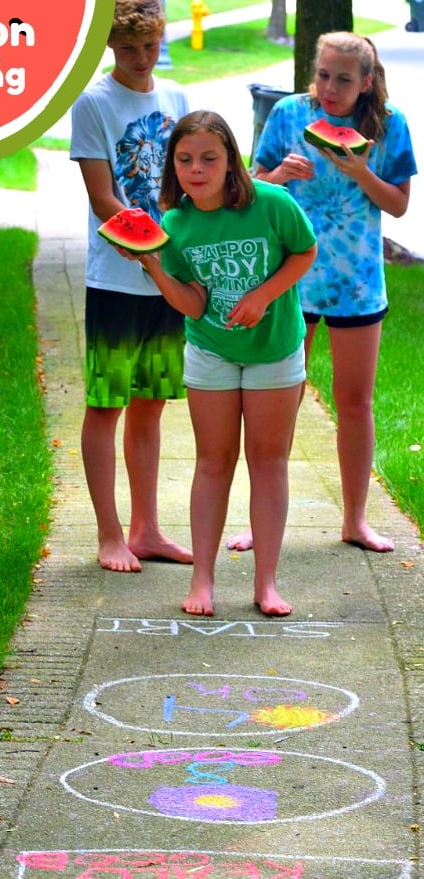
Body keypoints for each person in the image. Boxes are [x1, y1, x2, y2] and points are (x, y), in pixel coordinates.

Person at [119, 111, 316, 616]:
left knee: (268, 462)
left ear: (231, 160)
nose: (197, 168)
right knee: (213, 462)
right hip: (211, 351)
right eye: (185, 160)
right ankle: (202, 580)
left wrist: (265, 294)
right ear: (174, 167)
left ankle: (266, 583)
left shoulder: (273, 203)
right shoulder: (176, 224)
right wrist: (153, 265)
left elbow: (305, 251)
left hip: (274, 349)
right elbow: (193, 304)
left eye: (209, 157)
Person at [228, 32, 417, 555]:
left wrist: (360, 171)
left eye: (344, 80)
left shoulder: (390, 125)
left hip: (357, 282)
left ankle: (355, 520)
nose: (330, 89)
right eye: (324, 76)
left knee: (355, 403)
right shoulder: (289, 114)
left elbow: (398, 206)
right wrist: (277, 175)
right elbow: (248, 188)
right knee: (280, 402)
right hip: (291, 278)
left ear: (367, 82)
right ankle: (259, 523)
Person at [69, 0, 192, 573]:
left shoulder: (176, 98)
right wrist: (144, 252)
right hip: (117, 281)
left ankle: (147, 530)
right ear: (110, 47)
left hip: (168, 281)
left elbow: (190, 182)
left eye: (149, 47)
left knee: (150, 408)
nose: (141, 59)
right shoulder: (94, 102)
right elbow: (102, 198)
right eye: (127, 49)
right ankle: (109, 534)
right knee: (106, 405)